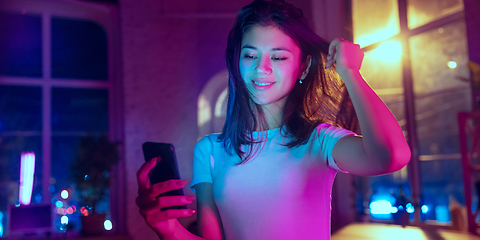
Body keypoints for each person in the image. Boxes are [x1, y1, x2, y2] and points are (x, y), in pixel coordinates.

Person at [136, 0, 411, 239]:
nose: (261, 68)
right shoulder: (209, 150)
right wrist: (168, 229)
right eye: (250, 55)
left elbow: (392, 156)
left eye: (278, 56)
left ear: (302, 67)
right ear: (237, 61)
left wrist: (351, 73)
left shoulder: (320, 141)